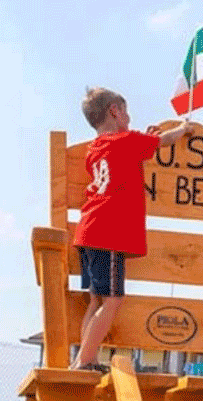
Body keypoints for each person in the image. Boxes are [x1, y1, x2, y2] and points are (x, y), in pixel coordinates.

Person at [70, 87, 193, 371]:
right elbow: (164, 140)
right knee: (113, 300)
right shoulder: (127, 141)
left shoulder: (97, 148)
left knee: (96, 300)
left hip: (89, 230)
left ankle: (81, 358)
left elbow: (129, 157)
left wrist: (145, 139)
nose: (129, 117)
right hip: (108, 232)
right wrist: (183, 128)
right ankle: (85, 360)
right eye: (125, 111)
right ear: (115, 111)